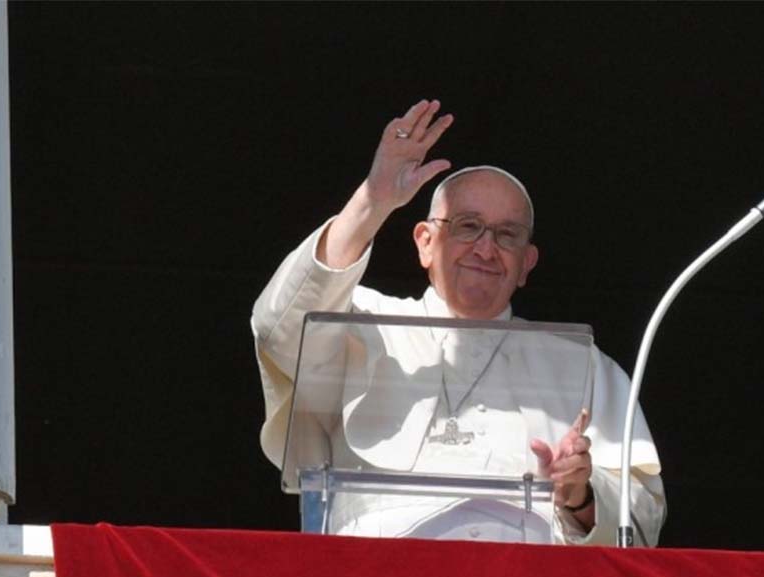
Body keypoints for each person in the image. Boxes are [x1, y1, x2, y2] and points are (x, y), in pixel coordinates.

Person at [252, 99, 666, 545]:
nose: (486, 249)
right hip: (380, 570)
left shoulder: (582, 365)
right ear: (425, 242)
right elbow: (278, 328)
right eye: (467, 226)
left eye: (506, 235)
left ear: (526, 264)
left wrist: (580, 495)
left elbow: (641, 518)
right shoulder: (362, 326)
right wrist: (372, 202)